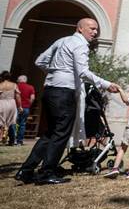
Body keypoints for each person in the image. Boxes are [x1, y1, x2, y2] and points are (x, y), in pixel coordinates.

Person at [16, 18, 119, 185]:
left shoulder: (62, 40)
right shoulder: (80, 45)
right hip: (64, 92)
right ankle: (47, 172)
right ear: (79, 29)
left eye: (96, 29)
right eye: (92, 29)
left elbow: (40, 61)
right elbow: (83, 72)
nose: (95, 32)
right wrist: (106, 84)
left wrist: (56, 73)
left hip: (50, 89)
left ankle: (26, 171)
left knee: (51, 133)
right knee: (61, 133)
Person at [8, 74, 33, 146]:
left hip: (15, 107)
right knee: (22, 124)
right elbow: (32, 98)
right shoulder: (30, 87)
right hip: (26, 108)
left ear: (19, 80)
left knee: (13, 123)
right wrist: (28, 104)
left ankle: (12, 140)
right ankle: (19, 141)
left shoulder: (15, 86)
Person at [0, 72, 21, 146]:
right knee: (12, 123)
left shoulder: (0, 85)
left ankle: (1, 138)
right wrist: (20, 106)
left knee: (0, 122)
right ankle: (12, 140)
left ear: (2, 77)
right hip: (12, 103)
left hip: (2, 103)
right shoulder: (14, 85)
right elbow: (18, 96)